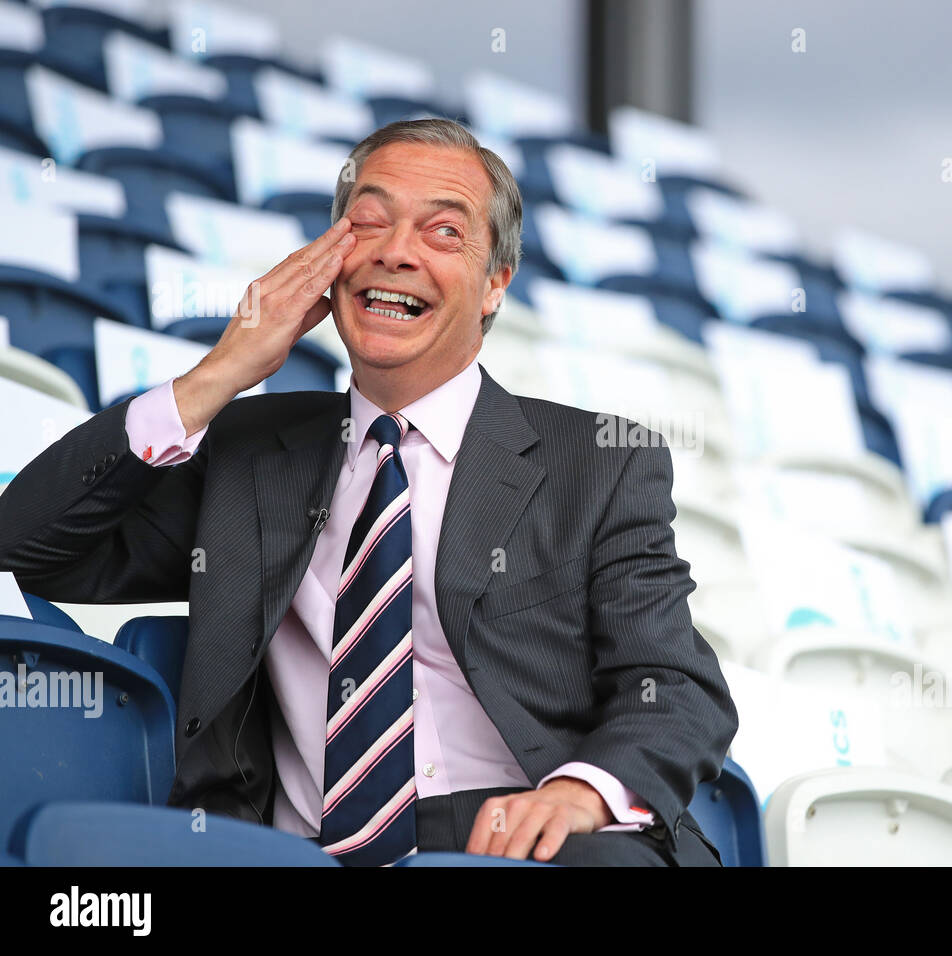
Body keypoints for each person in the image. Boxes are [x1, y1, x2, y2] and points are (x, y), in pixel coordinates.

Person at [0, 118, 737, 867]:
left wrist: (577, 795)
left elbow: (674, 685)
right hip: (297, 851)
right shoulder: (251, 451)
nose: (395, 252)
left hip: (521, 843)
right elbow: (25, 546)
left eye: (443, 233)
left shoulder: (598, 465)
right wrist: (217, 375)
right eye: (368, 222)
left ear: (495, 285)